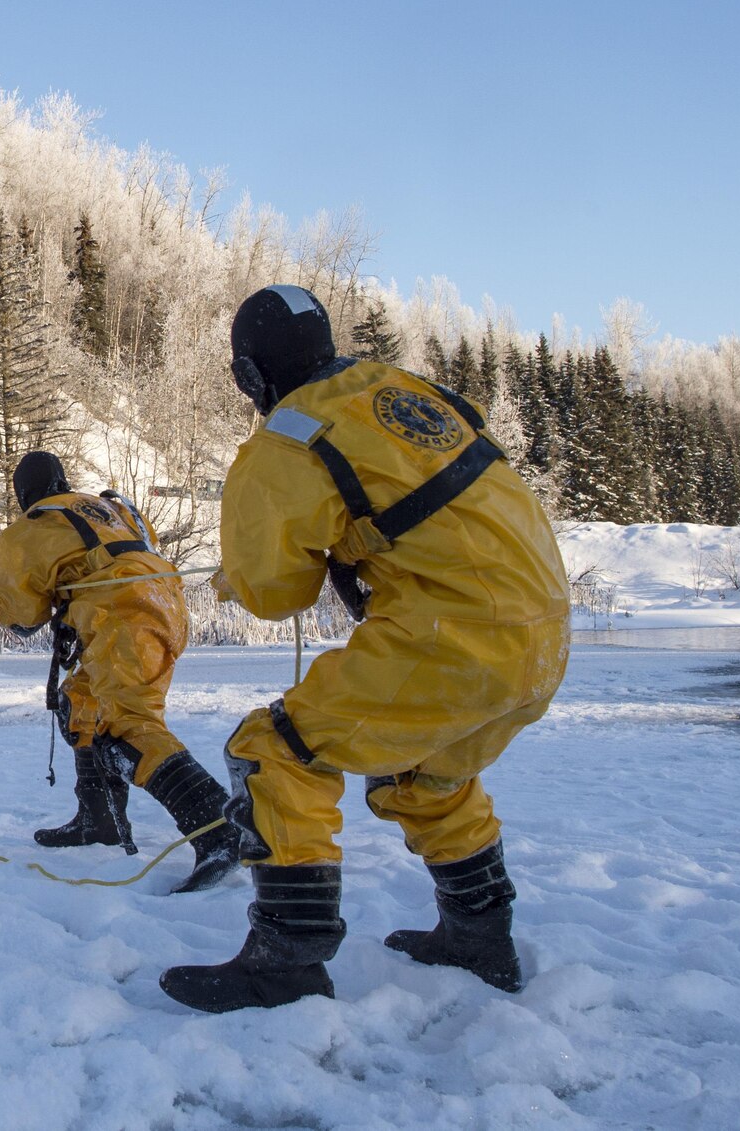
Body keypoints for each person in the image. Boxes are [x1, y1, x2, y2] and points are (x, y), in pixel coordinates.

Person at [160, 284, 570, 1012]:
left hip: (451, 636)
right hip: (544, 634)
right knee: (424, 773)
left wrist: (242, 571)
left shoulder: (287, 438)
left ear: (249, 377)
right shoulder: (403, 389)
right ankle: (480, 936)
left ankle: (287, 959)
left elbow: (275, 592)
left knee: (274, 747)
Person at [0, 451, 240, 894]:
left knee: (126, 724)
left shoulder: (29, 527)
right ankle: (99, 820)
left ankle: (220, 829)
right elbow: (144, 538)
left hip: (123, 617)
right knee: (82, 705)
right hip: (164, 604)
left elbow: (22, 619)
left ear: (23, 494)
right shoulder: (102, 504)